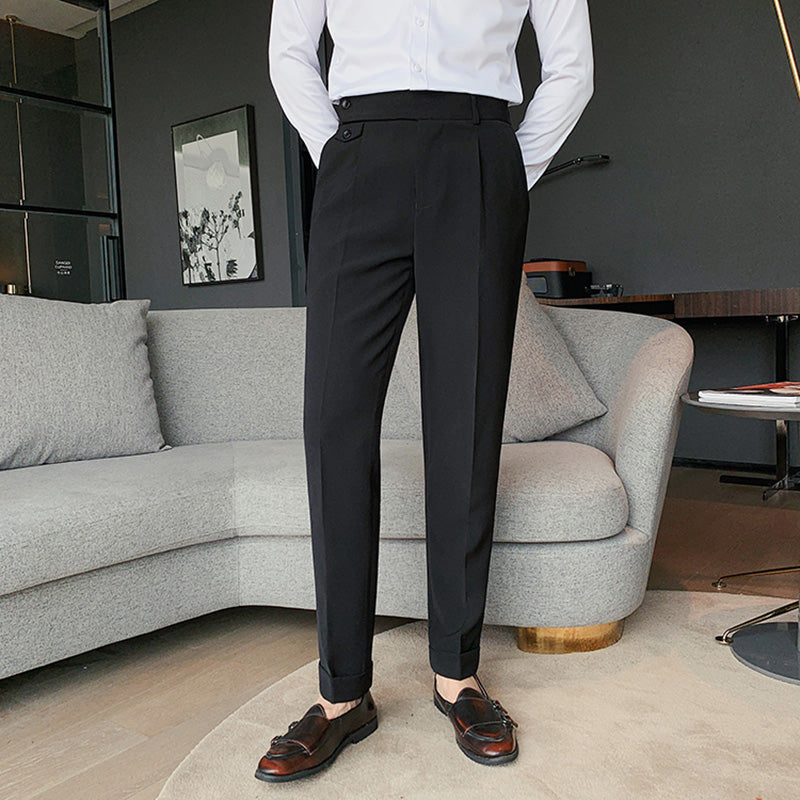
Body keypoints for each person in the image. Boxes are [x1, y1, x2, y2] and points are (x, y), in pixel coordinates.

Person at [257, 0, 593, 782]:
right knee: (333, 425)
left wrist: (506, 164)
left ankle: (457, 673)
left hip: (477, 152)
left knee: (465, 420)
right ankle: (342, 695)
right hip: (356, 153)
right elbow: (289, 51)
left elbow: (572, 66)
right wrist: (337, 147)